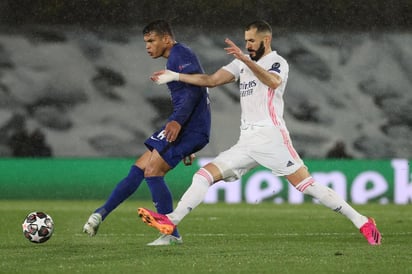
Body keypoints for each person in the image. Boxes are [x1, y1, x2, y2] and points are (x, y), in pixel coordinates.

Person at [137, 20, 382, 245]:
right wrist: (175, 75)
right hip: (247, 140)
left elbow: (273, 82)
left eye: (252, 41)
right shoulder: (241, 63)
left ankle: (362, 221)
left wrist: (246, 61)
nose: (247, 45)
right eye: (245, 41)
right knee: (204, 175)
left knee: (307, 185)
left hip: (271, 136)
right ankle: (172, 220)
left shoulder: (277, 62)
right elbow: (211, 80)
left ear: (266, 41)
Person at [83, 19, 211, 246]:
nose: (148, 46)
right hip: (187, 126)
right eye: (145, 42)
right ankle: (100, 213)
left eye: (151, 41)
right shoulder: (176, 57)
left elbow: (195, 90)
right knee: (140, 168)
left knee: (153, 171)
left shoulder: (180, 53)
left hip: (190, 126)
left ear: (166, 39)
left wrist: (179, 124)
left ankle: (171, 234)